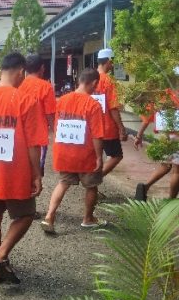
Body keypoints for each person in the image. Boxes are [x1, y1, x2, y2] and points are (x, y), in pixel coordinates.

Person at [0, 52, 47, 284]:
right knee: (25, 215)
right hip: (16, 172)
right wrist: (37, 174)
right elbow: (34, 144)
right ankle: (0, 255)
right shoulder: (25, 100)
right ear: (21, 71)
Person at [41, 68, 106, 234]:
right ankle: (88, 219)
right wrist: (99, 157)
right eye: (95, 85)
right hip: (86, 154)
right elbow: (97, 134)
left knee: (63, 183)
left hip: (65, 152)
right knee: (91, 186)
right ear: (93, 83)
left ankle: (49, 216)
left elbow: (57, 126)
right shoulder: (93, 105)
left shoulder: (62, 100)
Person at [134, 88, 179, 200]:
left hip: (165, 135)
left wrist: (138, 136)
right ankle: (171, 202)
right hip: (176, 136)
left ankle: (145, 187)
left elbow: (147, 117)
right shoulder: (171, 96)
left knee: (166, 165)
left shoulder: (164, 95)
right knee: (177, 170)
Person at [18, 54, 56, 177]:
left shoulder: (19, 85)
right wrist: (56, 134)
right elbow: (50, 114)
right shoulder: (46, 87)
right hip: (38, 135)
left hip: (19, 133)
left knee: (22, 166)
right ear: (42, 68)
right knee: (36, 171)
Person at [94, 48, 128, 178]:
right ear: (108, 61)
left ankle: (92, 181)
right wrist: (121, 128)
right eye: (112, 62)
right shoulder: (108, 81)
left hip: (91, 127)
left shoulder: (89, 77)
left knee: (95, 157)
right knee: (116, 155)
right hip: (107, 129)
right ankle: (96, 179)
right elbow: (113, 108)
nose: (112, 65)